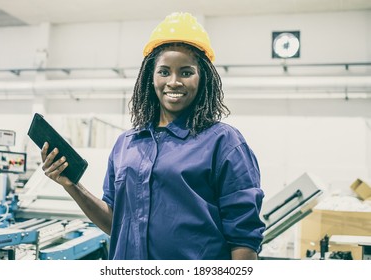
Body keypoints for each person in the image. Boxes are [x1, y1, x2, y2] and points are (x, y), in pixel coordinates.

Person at [41, 12, 265, 260]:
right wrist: (72, 185)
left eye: (186, 72)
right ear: (151, 77)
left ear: (203, 79)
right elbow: (115, 222)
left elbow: (244, 240)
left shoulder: (224, 143)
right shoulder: (126, 144)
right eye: (164, 72)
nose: (174, 82)